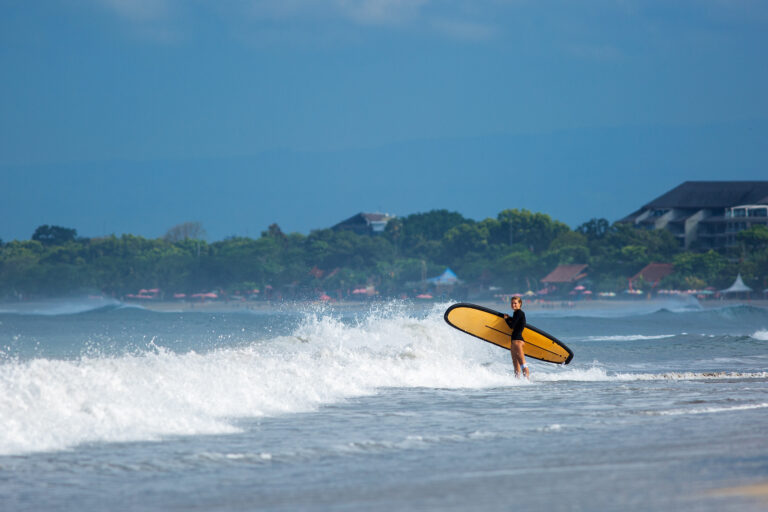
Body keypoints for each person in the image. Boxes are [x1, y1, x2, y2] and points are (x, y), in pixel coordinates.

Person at [503, 296, 529, 378]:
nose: (513, 305)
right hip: (514, 342)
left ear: (520, 304)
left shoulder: (519, 313)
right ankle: (517, 382)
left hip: (518, 341)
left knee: (522, 363)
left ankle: (527, 381)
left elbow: (512, 326)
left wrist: (506, 319)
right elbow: (515, 323)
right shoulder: (516, 314)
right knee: (515, 364)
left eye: (515, 303)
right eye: (512, 303)